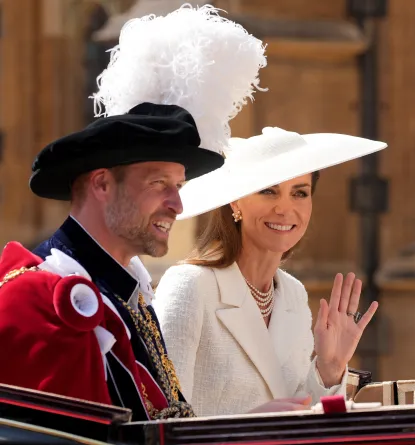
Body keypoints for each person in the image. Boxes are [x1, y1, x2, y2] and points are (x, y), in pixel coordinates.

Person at [0, 4, 269, 420]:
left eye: (178, 186)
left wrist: (258, 426)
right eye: (160, 184)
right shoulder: (35, 299)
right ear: (102, 183)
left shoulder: (130, 296)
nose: (177, 204)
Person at [153, 126, 388, 417]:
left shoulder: (293, 294)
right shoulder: (189, 285)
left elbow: (299, 416)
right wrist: (248, 426)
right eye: (268, 191)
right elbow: (160, 420)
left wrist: (329, 370)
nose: (285, 209)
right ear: (235, 201)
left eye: (300, 193)